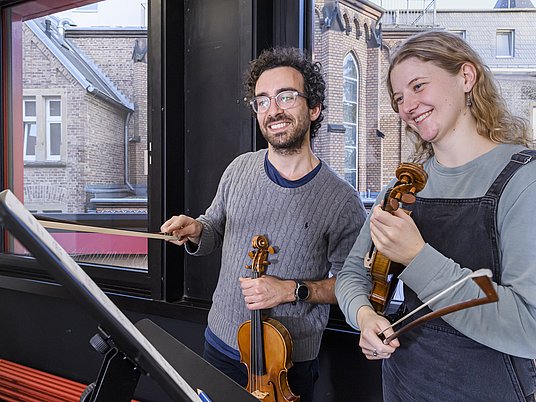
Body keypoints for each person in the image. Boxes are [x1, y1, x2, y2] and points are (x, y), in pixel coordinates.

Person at [335, 30, 536, 402]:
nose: (407, 106)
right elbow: (351, 275)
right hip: (405, 383)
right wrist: (364, 317)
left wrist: (417, 257)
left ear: (466, 77)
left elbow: (529, 325)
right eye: (398, 98)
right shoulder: (401, 190)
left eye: (418, 86)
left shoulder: (524, 181)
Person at [161, 47, 366, 401]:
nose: (273, 110)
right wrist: (196, 229)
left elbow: (350, 285)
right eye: (263, 100)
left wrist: (289, 290)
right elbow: (214, 227)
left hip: (287, 362)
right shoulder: (238, 168)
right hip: (221, 342)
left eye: (286, 96)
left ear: (314, 109)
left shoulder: (342, 201)